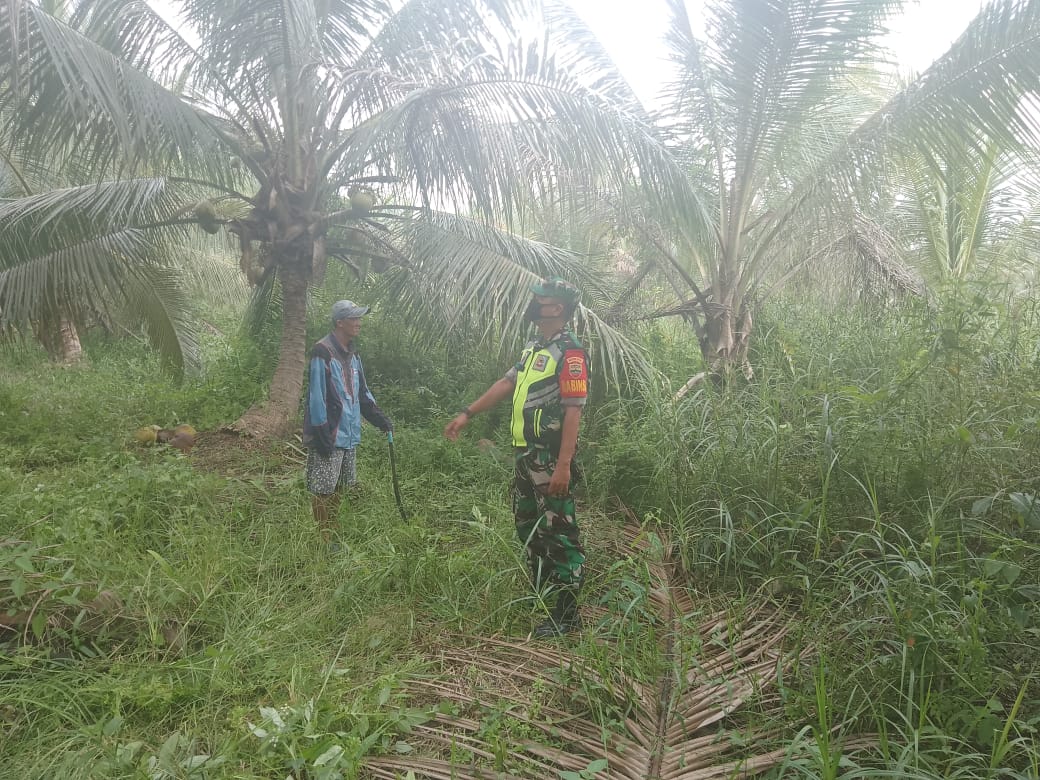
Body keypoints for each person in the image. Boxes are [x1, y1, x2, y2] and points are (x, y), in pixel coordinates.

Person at [444, 277, 589, 638]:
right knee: (529, 525)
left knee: (560, 531)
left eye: (542, 300)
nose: (535, 305)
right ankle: (543, 593)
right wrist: (467, 412)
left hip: (549, 457)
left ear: (558, 308)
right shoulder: (534, 348)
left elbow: (573, 412)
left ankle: (568, 615)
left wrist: (564, 466)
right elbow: (506, 383)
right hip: (525, 455)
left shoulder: (570, 353)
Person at [304, 300, 393, 545]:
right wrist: (321, 434)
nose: (358, 323)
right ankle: (324, 538)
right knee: (323, 489)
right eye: (353, 318)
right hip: (330, 434)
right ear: (339, 322)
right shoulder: (322, 351)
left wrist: (380, 419)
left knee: (340, 486)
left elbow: (362, 393)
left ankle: (332, 530)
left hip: (349, 434)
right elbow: (316, 396)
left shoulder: (353, 354)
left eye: (359, 318)